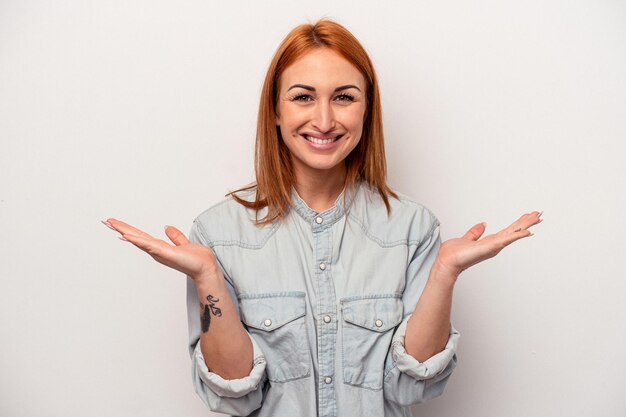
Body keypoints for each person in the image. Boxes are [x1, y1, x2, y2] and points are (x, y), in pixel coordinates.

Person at [103, 19, 542, 417]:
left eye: (344, 97)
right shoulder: (216, 234)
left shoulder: (413, 228)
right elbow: (236, 393)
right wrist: (208, 278)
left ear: (367, 110)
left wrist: (445, 272)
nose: (325, 119)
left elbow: (412, 387)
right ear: (275, 110)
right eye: (303, 97)